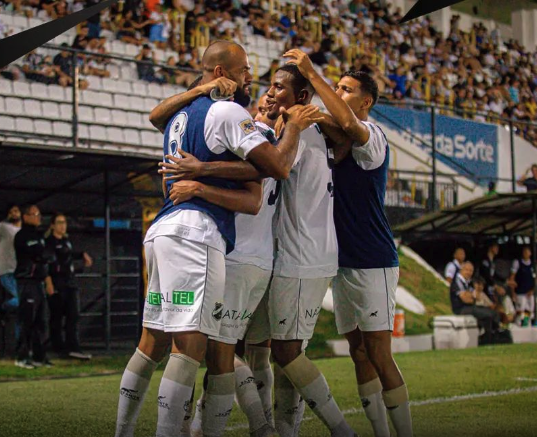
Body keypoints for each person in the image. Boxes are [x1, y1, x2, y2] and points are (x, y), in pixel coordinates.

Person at [115, 40, 319, 437]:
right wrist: (293, 126)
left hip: (161, 231)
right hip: (197, 234)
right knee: (192, 349)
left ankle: (122, 431)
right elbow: (275, 167)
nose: (250, 79)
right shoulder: (228, 111)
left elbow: (155, 115)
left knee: (151, 342)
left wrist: (202, 170)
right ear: (223, 73)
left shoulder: (179, 114)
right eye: (244, 70)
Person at [285, 48, 413, 437]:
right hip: (341, 262)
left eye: (347, 88)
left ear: (366, 101)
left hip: (373, 260)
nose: (339, 92)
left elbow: (342, 118)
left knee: (379, 353)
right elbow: (327, 119)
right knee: (358, 352)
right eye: (337, 86)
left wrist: (312, 71)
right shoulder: (335, 137)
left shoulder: (373, 136)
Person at [45, 213, 93, 360]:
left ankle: (73, 346)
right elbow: (47, 263)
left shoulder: (66, 241)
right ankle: (58, 348)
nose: (62, 225)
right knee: (57, 317)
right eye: (59, 222)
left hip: (69, 283)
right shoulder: (49, 242)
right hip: (57, 283)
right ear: (52, 225)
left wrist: (82, 255)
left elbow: (69, 255)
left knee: (73, 315)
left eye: (64, 222)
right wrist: (49, 283)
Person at [14, 205, 54, 369]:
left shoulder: (39, 236)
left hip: (38, 283)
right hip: (26, 282)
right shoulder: (21, 236)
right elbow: (38, 253)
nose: (38, 217)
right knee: (27, 321)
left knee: (41, 321)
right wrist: (43, 255)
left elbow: (45, 255)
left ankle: (40, 356)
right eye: (34, 214)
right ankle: (22, 356)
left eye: (39, 214)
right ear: (25, 217)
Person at [450, 262, 499, 344]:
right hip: (461, 309)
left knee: (490, 315)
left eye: (471, 271)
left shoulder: (467, 282)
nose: (469, 272)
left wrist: (470, 296)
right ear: (461, 270)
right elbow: (466, 299)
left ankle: (487, 340)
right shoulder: (457, 281)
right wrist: (471, 296)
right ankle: (489, 338)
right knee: (491, 314)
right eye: (467, 270)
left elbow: (477, 297)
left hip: (470, 307)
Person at [509, 247, 535, 324]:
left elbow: (535, 279)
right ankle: (518, 324)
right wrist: (512, 292)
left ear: (530, 253)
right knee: (520, 310)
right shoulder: (517, 262)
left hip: (529, 292)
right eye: (524, 252)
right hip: (520, 292)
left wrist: (532, 290)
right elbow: (512, 278)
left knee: (529, 310)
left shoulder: (532, 264)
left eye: (527, 252)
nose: (526, 253)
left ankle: (526, 323)